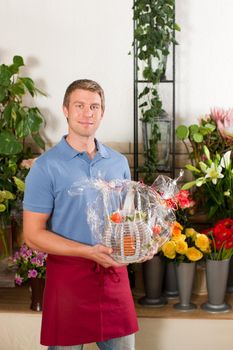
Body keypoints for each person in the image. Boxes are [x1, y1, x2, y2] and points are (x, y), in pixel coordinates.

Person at [23, 79, 139, 350]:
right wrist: (87, 252)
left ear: (102, 113)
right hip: (68, 280)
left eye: (94, 106)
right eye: (80, 105)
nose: (87, 113)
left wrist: (140, 246)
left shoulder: (118, 163)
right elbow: (32, 235)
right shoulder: (45, 167)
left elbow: (127, 221)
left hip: (113, 275)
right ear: (65, 110)